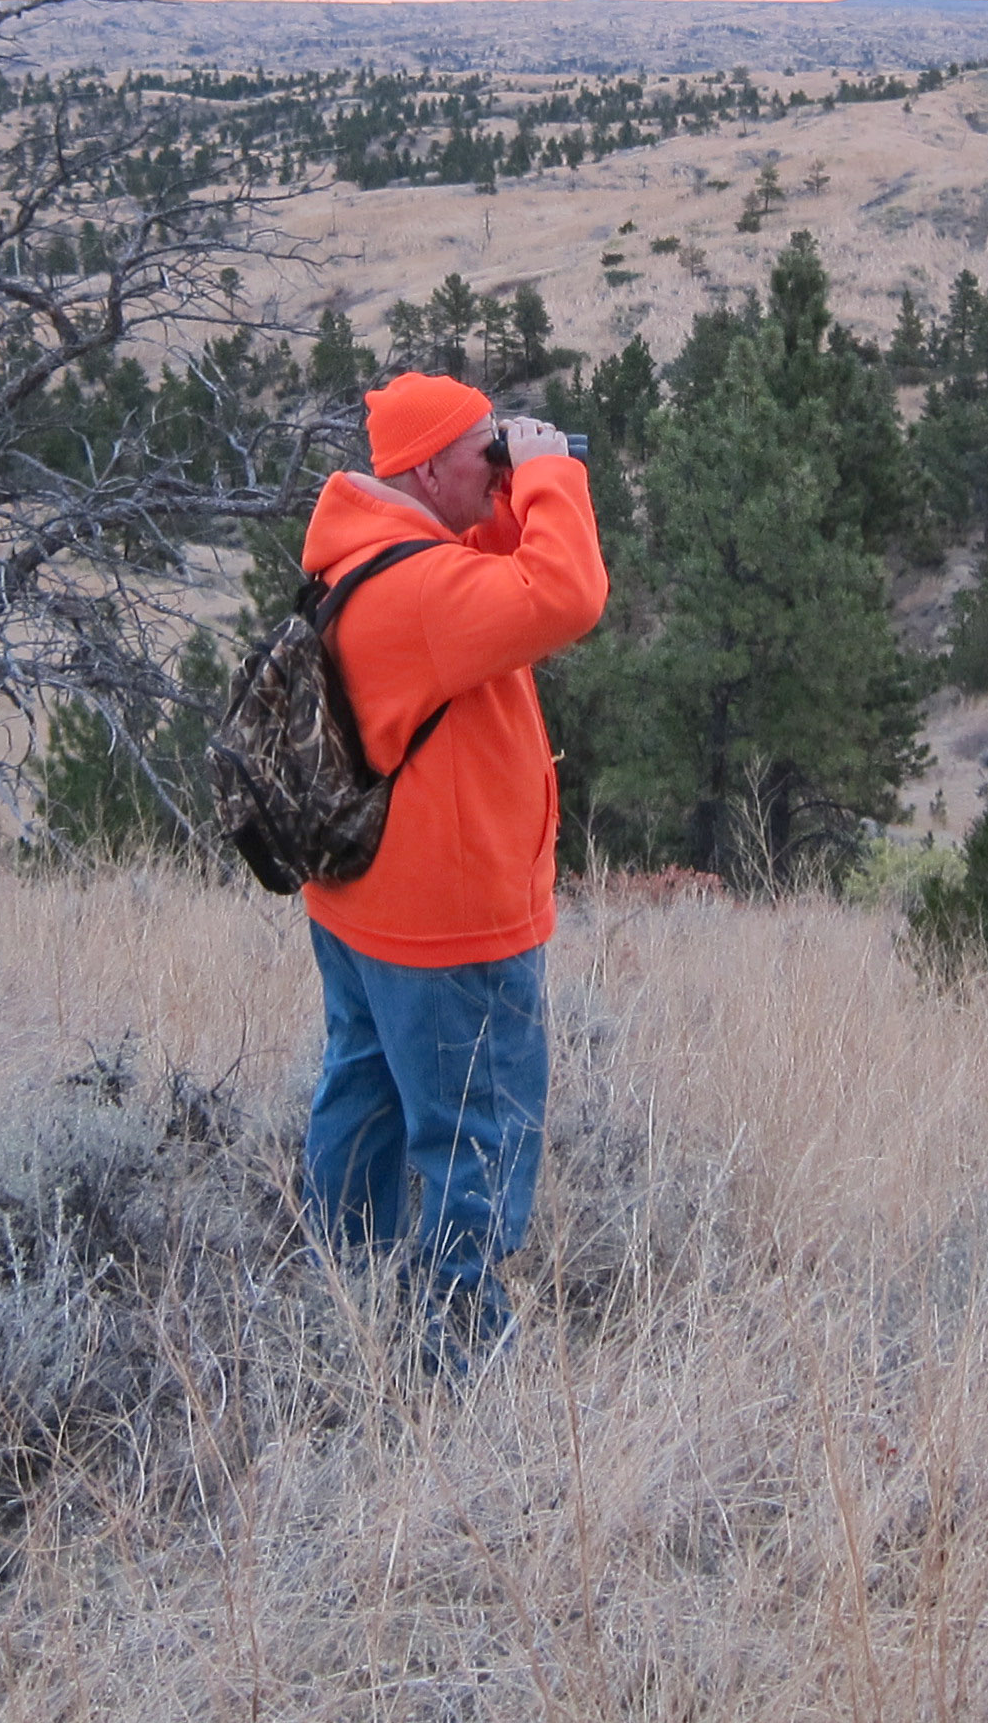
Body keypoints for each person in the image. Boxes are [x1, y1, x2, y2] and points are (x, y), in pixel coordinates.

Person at [298, 368, 608, 1363]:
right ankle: (461, 1350)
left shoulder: (374, 551)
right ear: (430, 466)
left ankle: (349, 1299)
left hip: (364, 905)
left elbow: (494, 561)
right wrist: (555, 479)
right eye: (486, 450)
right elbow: (565, 594)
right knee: (480, 1133)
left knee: (368, 1096)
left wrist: (515, 482)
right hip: (449, 929)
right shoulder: (425, 593)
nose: (500, 462)